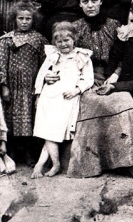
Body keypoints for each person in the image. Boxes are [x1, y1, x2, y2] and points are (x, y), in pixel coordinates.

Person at [69, 0, 133, 179]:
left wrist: (113, 77)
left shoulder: (115, 26)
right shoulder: (74, 28)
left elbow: (121, 58)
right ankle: (96, 162)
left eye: (94, 0)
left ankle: (130, 160)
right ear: (79, 4)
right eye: (85, 1)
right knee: (100, 104)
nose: (90, 5)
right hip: (84, 78)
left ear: (101, 2)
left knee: (126, 103)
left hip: (111, 76)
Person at [32, 22, 94, 178]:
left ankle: (50, 164)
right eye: (59, 41)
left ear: (74, 39)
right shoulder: (53, 56)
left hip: (67, 97)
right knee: (46, 130)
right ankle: (48, 164)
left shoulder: (81, 56)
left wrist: (76, 90)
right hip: (49, 96)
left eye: (67, 40)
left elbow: (88, 78)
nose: (63, 44)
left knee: (52, 131)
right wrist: (40, 91)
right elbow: (41, 75)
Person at [0, 0, 48, 165]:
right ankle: (12, 152)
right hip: (14, 87)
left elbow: (45, 63)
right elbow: (1, 64)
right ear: (14, 19)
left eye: (28, 19)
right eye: (21, 18)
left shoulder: (39, 39)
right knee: (12, 120)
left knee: (31, 121)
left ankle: (29, 153)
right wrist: (4, 86)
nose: (24, 22)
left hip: (31, 86)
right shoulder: (6, 39)